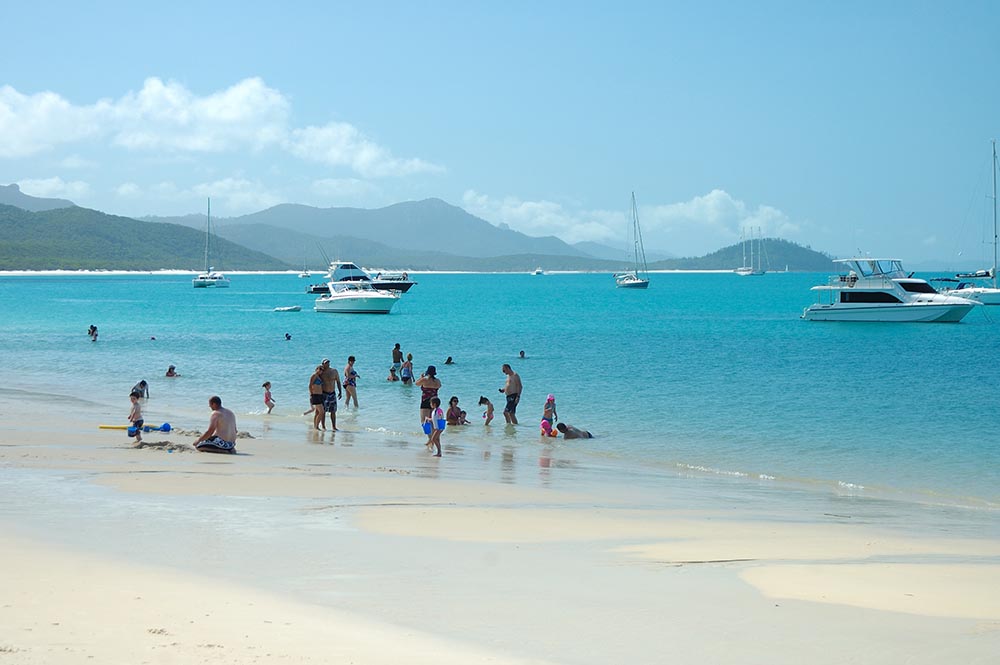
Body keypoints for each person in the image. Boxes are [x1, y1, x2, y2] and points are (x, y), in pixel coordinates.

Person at [320, 359, 342, 430]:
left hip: (332, 393)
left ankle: (334, 427)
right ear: (323, 364)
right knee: (323, 411)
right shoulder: (321, 372)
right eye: (326, 363)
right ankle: (323, 426)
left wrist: (340, 391)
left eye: (328, 363)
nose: (327, 364)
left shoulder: (334, 371)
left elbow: (338, 381)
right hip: (324, 393)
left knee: (333, 411)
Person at [309, 365, 326, 430]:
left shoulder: (319, 377)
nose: (321, 371)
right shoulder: (314, 376)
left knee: (318, 412)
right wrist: (311, 394)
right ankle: (316, 426)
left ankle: (315, 426)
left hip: (320, 395)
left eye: (322, 370)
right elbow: (310, 385)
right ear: (316, 369)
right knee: (322, 412)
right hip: (315, 395)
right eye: (320, 369)